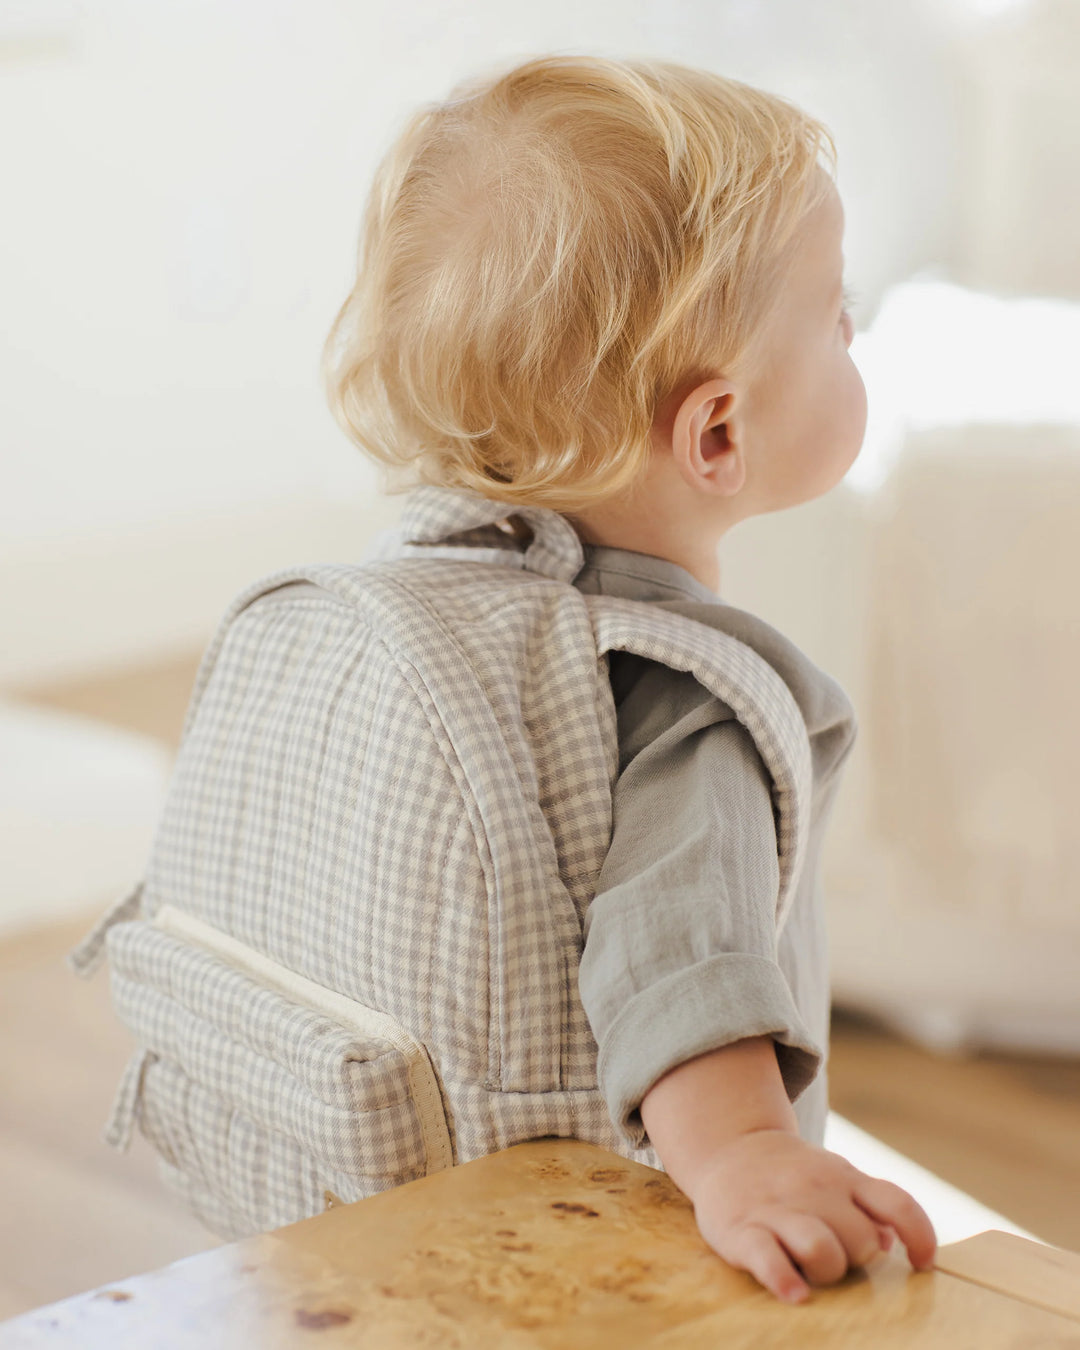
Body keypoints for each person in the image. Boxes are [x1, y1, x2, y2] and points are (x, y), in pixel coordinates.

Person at [322, 52, 938, 1304]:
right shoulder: (684, 694)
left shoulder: (413, 610)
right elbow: (679, 950)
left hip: (375, 1212)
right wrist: (751, 1157)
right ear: (719, 434)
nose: (853, 328)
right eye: (835, 314)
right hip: (609, 1246)